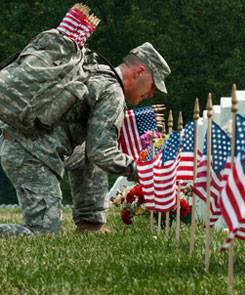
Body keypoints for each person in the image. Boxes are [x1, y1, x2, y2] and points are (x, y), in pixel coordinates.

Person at [0, 20, 170, 235]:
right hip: (30, 153)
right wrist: (143, 172)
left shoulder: (95, 69)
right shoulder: (111, 91)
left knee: (86, 153)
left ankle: (90, 223)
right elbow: (103, 153)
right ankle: (86, 222)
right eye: (153, 86)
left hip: (25, 142)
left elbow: (93, 151)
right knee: (41, 233)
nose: (151, 94)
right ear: (140, 72)